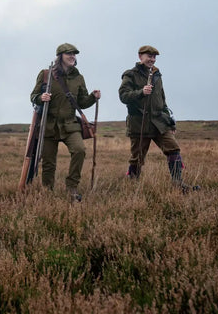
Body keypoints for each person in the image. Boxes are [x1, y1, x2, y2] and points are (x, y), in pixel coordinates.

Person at [118, 45, 199, 193]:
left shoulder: (157, 75)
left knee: (173, 149)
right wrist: (141, 92)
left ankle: (178, 183)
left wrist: (170, 121)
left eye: (154, 57)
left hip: (158, 123)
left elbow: (161, 100)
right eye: (149, 56)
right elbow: (123, 96)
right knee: (137, 158)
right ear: (140, 56)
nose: (152, 59)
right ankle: (132, 185)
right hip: (139, 123)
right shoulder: (130, 74)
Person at [30, 43, 101, 202]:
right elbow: (33, 96)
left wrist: (92, 97)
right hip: (48, 125)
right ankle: (47, 191)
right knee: (48, 162)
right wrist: (40, 98)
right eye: (69, 53)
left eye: (74, 54)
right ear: (60, 56)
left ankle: (72, 187)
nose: (72, 57)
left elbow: (81, 102)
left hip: (70, 125)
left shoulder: (78, 77)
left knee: (79, 150)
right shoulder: (46, 75)